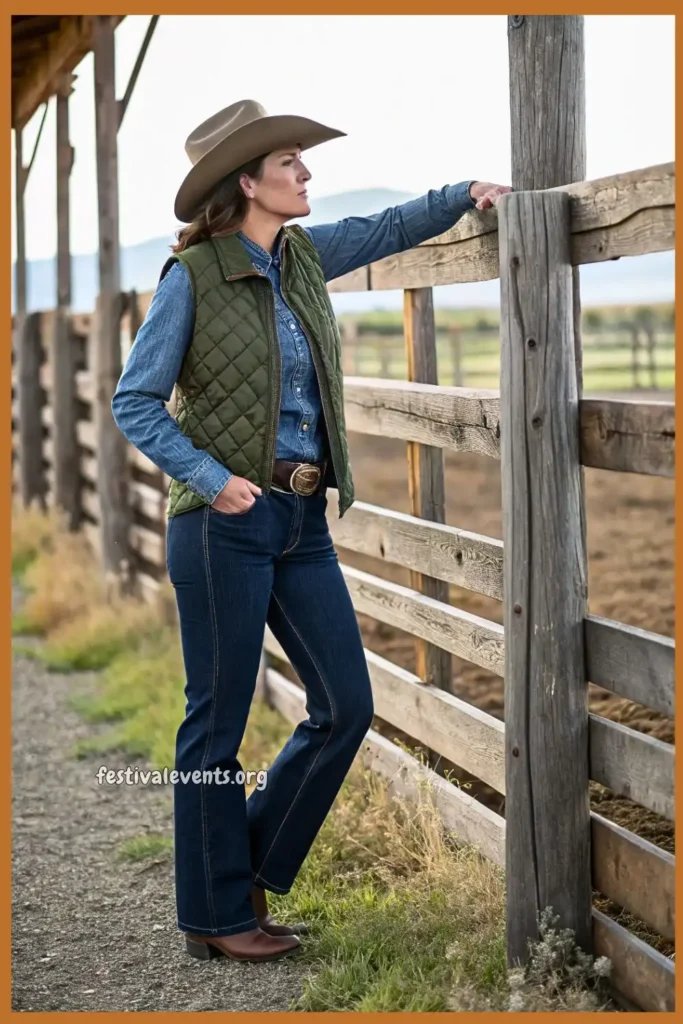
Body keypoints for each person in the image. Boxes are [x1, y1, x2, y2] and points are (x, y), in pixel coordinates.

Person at [111, 99, 510, 964]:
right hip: (225, 526)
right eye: (290, 163)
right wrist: (213, 485)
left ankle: (237, 875)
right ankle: (217, 916)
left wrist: (464, 192)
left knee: (345, 707)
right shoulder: (193, 278)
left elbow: (388, 225)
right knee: (214, 725)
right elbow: (133, 401)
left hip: (304, 519)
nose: (306, 175)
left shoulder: (303, 257)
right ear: (246, 181)